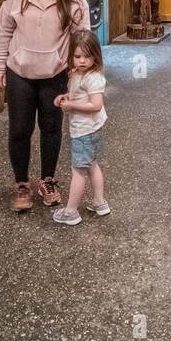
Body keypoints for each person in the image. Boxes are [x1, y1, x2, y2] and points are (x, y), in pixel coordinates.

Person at [0, 0, 89, 212]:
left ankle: (48, 180)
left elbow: (82, 38)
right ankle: (22, 184)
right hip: (19, 72)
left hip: (55, 74)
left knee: (51, 128)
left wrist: (80, 75)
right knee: (20, 130)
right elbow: (3, 32)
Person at [51, 30, 108, 227]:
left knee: (78, 170)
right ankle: (100, 203)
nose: (82, 60)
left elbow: (96, 105)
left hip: (85, 130)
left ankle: (71, 211)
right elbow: (76, 94)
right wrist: (66, 97)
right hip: (88, 128)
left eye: (87, 56)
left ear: (96, 56)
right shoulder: (76, 73)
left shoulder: (93, 78)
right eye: (77, 56)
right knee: (91, 164)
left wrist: (72, 106)